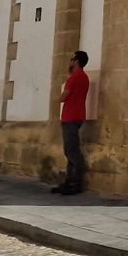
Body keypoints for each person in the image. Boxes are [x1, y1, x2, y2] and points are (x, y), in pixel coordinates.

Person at [51, 51, 90, 195]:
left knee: (71, 151)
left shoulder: (74, 77)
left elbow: (63, 97)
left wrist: (59, 97)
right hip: (77, 117)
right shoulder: (84, 77)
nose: (69, 61)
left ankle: (76, 183)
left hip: (70, 117)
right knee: (71, 150)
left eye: (71, 59)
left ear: (77, 61)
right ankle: (69, 181)